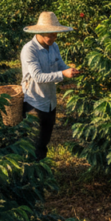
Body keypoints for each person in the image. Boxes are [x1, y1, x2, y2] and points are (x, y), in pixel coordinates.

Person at [20, 12, 77, 161]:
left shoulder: (53, 46)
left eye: (55, 35)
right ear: (40, 32)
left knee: (44, 141)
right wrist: (63, 74)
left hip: (50, 101)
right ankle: (31, 170)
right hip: (34, 102)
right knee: (34, 142)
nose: (53, 38)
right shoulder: (29, 50)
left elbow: (60, 64)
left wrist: (70, 70)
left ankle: (41, 169)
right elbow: (38, 77)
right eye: (50, 35)